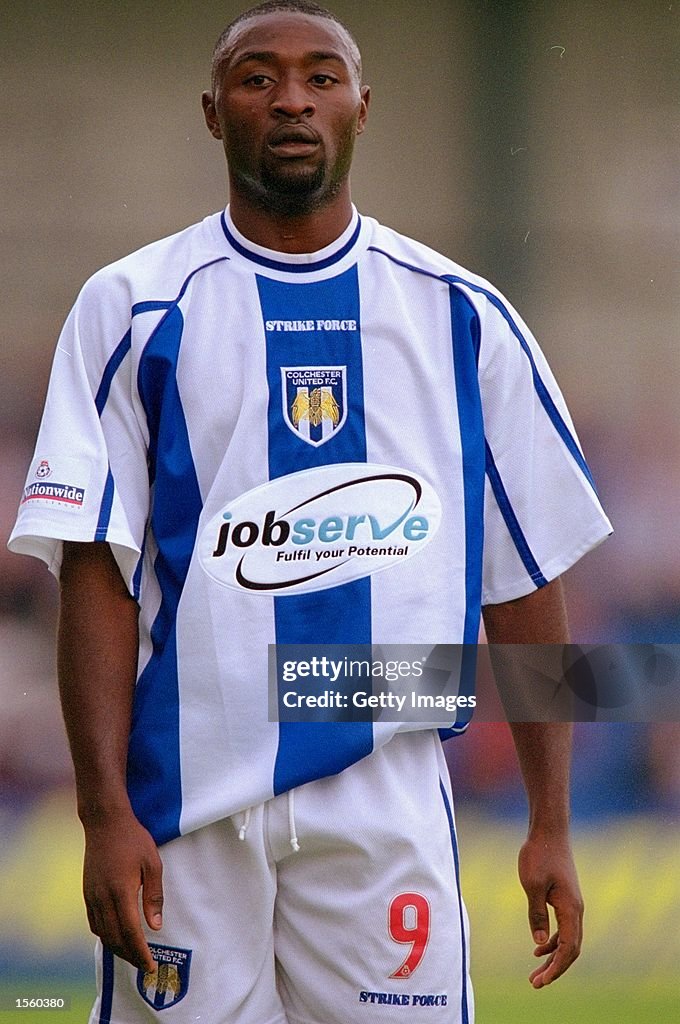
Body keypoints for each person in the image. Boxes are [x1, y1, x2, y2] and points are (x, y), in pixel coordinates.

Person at [8, 2, 612, 1022]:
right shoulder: (132, 306)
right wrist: (102, 811)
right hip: (181, 812)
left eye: (320, 76)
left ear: (361, 108)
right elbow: (96, 575)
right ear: (213, 112)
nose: (291, 98)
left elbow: (525, 579)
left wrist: (549, 820)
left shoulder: (462, 318)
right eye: (258, 77)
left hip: (384, 799)